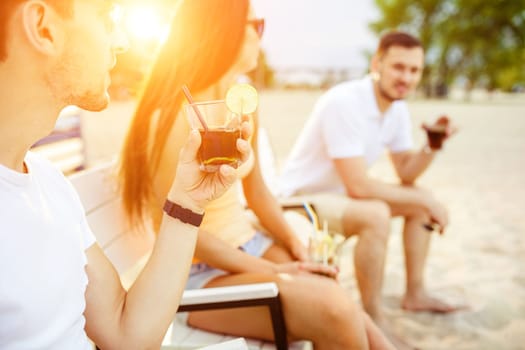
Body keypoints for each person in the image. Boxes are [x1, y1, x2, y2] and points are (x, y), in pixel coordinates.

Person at [119, 0, 395, 349]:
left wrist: (293, 243)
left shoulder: (240, 103)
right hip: (199, 272)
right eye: (257, 25)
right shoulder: (178, 115)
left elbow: (258, 193)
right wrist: (272, 271)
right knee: (335, 310)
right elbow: (178, 227)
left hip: (251, 244)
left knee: (334, 293)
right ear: (224, 32)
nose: (261, 37)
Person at [0, 0, 251, 349]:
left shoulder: (49, 183)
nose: (121, 41)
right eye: (107, 18)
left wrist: (188, 200)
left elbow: (126, 331)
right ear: (44, 28)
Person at [279, 31, 462, 346]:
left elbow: (406, 171)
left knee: (418, 206)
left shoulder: (397, 109)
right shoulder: (345, 101)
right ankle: (374, 314)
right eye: (398, 67)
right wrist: (427, 197)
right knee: (377, 213)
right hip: (298, 203)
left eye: (414, 70)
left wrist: (432, 145)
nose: (406, 77)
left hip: (339, 199)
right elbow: (359, 184)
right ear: (377, 63)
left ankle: (415, 293)